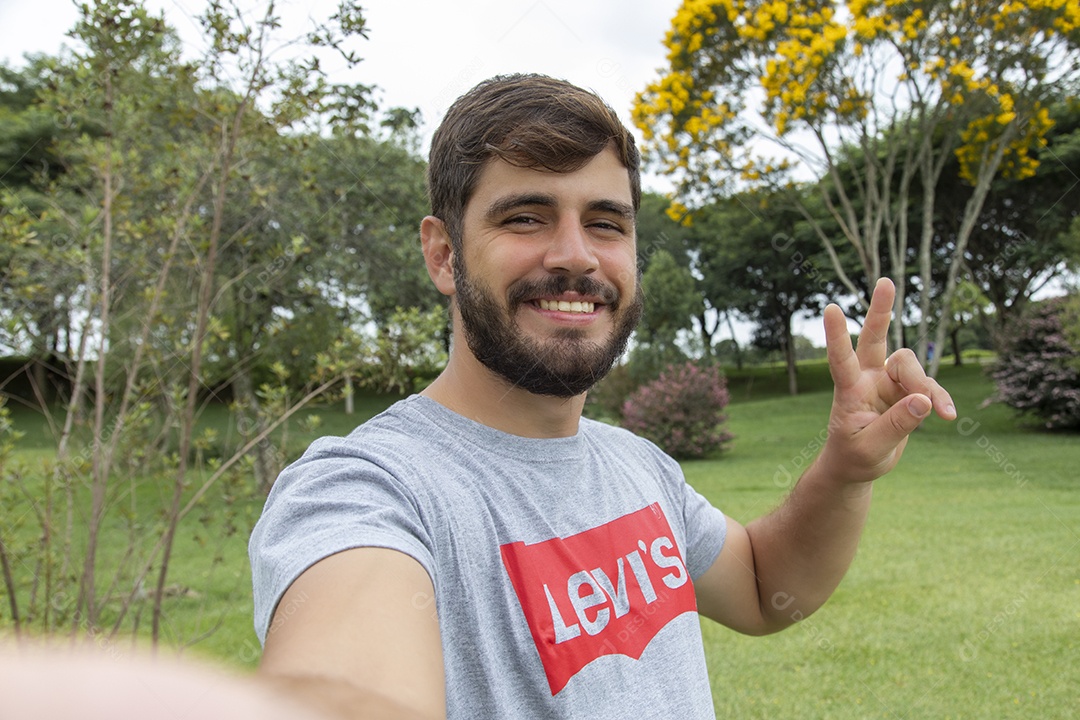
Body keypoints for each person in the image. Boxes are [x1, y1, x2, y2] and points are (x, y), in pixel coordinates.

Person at [248, 74, 956, 720]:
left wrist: (844, 469)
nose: (576, 255)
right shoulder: (365, 491)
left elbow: (766, 589)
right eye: (525, 217)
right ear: (443, 253)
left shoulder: (637, 465)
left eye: (606, 223)